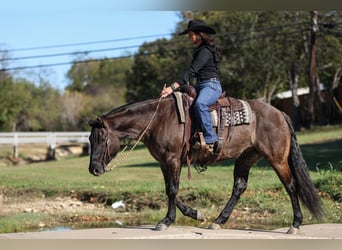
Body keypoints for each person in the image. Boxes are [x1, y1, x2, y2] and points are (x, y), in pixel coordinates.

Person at [161, 19, 222, 154]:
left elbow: (192, 71)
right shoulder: (199, 51)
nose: (189, 38)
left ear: (199, 35)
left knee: (200, 104)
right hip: (200, 85)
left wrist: (172, 87)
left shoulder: (205, 51)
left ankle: (210, 139)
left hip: (211, 85)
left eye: (191, 35)